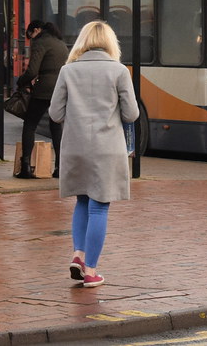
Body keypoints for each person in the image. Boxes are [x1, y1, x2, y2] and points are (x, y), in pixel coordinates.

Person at [48, 20, 139, 289]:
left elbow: (55, 113)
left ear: (82, 42)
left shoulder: (68, 71)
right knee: (100, 205)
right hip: (106, 148)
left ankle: (78, 253)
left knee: (82, 201)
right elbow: (131, 114)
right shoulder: (119, 71)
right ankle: (91, 271)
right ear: (111, 43)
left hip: (75, 147)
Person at [15, 20, 68, 178]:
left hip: (44, 89)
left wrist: (20, 81)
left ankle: (25, 168)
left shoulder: (40, 42)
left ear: (36, 30)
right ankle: (59, 168)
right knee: (56, 127)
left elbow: (32, 71)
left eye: (31, 36)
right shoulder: (60, 43)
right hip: (60, 89)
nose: (31, 40)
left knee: (30, 124)